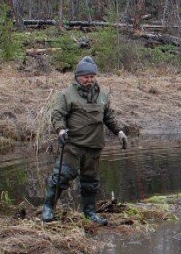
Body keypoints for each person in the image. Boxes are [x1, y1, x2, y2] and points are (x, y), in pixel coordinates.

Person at [43, 56, 129, 225]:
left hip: (94, 147)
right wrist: (60, 130)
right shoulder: (67, 95)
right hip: (73, 146)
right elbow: (57, 115)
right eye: (86, 77)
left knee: (90, 182)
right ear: (78, 77)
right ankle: (48, 208)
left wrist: (119, 131)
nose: (89, 80)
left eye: (92, 76)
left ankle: (90, 213)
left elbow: (108, 116)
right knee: (61, 177)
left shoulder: (102, 95)